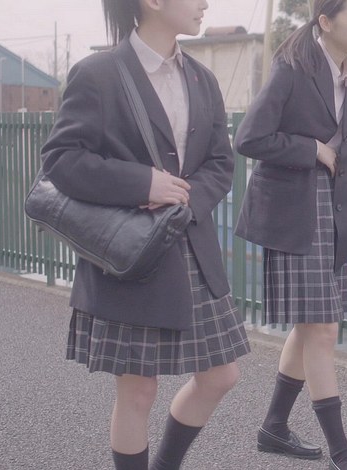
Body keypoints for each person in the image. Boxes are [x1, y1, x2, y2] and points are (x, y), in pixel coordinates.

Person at [41, 0, 250, 468]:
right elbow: (61, 160)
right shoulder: (98, 73)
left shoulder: (202, 78)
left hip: (191, 246)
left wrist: (187, 197)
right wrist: (143, 183)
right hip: (130, 252)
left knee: (221, 376)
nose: (205, 3)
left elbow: (221, 161)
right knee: (138, 391)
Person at [234, 0, 347, 468]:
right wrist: (312, 149)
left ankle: (274, 427)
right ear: (325, 21)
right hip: (294, 213)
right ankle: (341, 451)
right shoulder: (293, 67)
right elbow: (249, 138)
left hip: (337, 213)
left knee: (312, 326)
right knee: (320, 329)